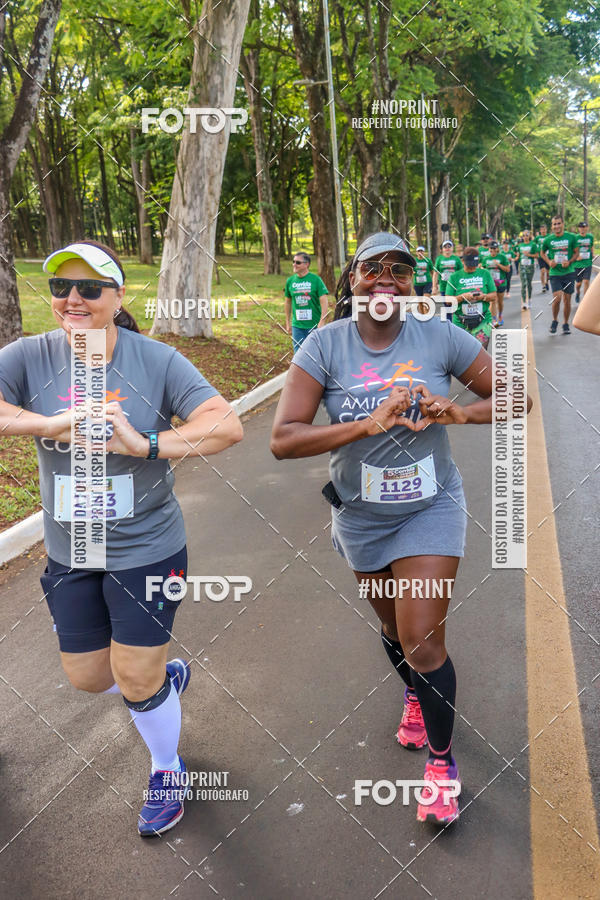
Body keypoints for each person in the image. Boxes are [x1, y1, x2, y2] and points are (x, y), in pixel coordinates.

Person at [270, 231, 531, 826]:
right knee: (391, 627)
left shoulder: (440, 333)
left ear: (412, 281)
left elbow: (518, 396)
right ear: (353, 278)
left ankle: (441, 768)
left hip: (428, 508)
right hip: (361, 516)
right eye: (373, 269)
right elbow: (283, 439)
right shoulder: (324, 345)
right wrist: (365, 426)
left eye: (400, 270)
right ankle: (414, 691)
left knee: (422, 638)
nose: (386, 279)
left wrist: (459, 410)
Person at [0, 241, 244, 837]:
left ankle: (167, 769)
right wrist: (51, 422)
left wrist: (147, 445)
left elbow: (226, 423)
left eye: (89, 288)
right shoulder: (28, 357)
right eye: (61, 288)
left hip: (147, 547)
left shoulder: (155, 361)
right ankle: (164, 678)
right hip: (71, 550)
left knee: (134, 676)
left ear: (118, 295)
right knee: (90, 677)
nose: (73, 299)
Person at [445, 246, 497, 348]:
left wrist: (483, 297)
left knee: (481, 351)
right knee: (464, 354)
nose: (473, 267)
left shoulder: (485, 273)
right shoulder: (454, 277)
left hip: (483, 320)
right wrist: (462, 297)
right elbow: (448, 300)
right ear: (463, 261)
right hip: (461, 322)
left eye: (475, 265)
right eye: (470, 265)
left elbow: (494, 295)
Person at [540, 215, 579, 335]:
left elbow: (576, 253)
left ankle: (565, 323)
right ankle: (555, 320)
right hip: (555, 273)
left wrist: (570, 261)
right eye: (554, 224)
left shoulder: (571, 237)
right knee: (557, 298)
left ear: (563, 224)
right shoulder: (548, 239)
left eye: (558, 223)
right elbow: (542, 252)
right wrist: (549, 262)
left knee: (567, 300)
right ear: (552, 226)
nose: (556, 226)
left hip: (569, 272)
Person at [284, 252, 329, 350]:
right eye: (293, 262)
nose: (294, 264)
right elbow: (288, 302)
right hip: (297, 326)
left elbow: (324, 301)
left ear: (306, 264)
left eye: (298, 262)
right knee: (299, 355)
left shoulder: (316, 280)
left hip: (314, 325)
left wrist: (322, 321)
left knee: (314, 353)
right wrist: (288, 322)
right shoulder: (290, 281)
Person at [481, 241, 511, 325]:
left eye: (494, 248)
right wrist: (482, 269)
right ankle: (493, 319)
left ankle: (500, 315)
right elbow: (483, 269)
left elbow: (508, 270)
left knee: (500, 302)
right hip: (490, 284)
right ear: (489, 249)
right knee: (492, 301)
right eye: (491, 248)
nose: (492, 250)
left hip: (501, 282)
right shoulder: (485, 259)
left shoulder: (502, 257)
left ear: (497, 249)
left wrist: (498, 264)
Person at [432, 240, 463, 305]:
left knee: (455, 305)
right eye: (445, 247)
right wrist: (434, 286)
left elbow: (462, 273)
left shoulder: (456, 259)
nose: (447, 248)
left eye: (449, 246)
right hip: (444, 286)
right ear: (442, 249)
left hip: (455, 286)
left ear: (452, 248)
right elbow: (435, 273)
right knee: (447, 306)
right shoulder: (439, 259)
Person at [514, 229, 539, 309]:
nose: (525, 237)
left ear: (529, 236)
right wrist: (514, 258)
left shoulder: (533, 244)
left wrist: (529, 254)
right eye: (523, 235)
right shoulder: (520, 245)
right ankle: (524, 302)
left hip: (530, 266)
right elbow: (518, 255)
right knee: (523, 284)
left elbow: (537, 255)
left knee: (529, 284)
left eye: (526, 235)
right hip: (522, 266)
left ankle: (530, 300)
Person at [574, 221, 594, 303]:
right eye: (581, 227)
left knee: (586, 281)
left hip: (587, 263)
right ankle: (578, 293)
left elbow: (591, 246)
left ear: (587, 228)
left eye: (584, 227)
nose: (583, 229)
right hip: (578, 264)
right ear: (579, 229)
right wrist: (576, 257)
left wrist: (593, 254)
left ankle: (585, 301)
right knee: (578, 284)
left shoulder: (590, 237)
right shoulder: (575, 238)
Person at [536, 224, 550, 292]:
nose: (543, 231)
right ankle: (543, 285)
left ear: (546, 230)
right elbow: (533, 244)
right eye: (542, 230)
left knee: (548, 272)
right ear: (540, 230)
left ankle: (547, 282)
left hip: (548, 256)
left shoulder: (549, 237)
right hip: (541, 256)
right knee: (542, 271)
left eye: (544, 229)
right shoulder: (538, 238)